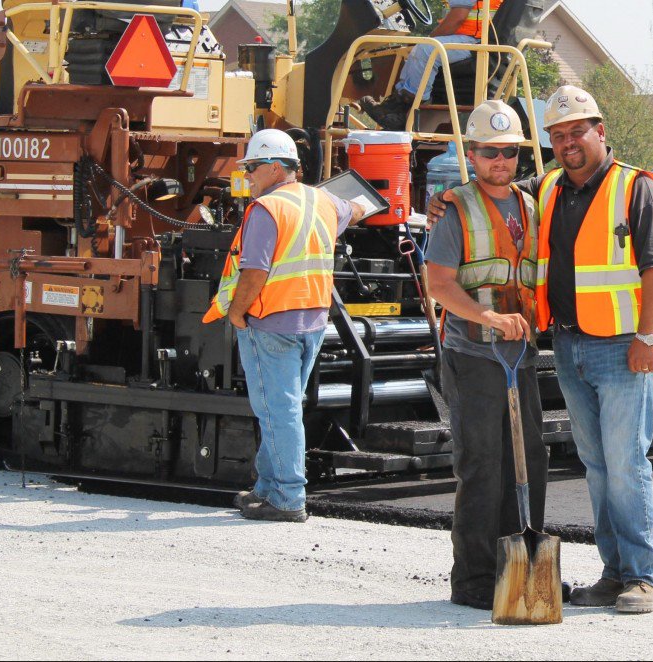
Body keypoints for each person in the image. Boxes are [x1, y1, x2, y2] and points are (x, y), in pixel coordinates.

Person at [428, 85, 653, 613]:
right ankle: (590, 573)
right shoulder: (543, 192)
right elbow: (447, 272)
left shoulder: (632, 188)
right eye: (557, 136)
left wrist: (647, 337)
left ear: (600, 130)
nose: (567, 143)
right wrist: (443, 199)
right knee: (585, 463)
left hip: (617, 348)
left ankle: (639, 574)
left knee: (621, 463)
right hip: (552, 346)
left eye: (576, 132)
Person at [423, 100, 548, 611]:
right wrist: (488, 318)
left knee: (530, 461)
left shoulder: (532, 205)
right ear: (472, 155)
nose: (501, 160)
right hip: (473, 355)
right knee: (482, 465)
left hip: (521, 354)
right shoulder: (454, 208)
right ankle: (473, 579)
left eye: (510, 151)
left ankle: (524, 572)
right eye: (491, 152)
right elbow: (439, 283)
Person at [203, 128, 363, 522]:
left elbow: (254, 272)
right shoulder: (322, 200)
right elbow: (354, 210)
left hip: (271, 321)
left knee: (278, 410)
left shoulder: (267, 209)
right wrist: (366, 201)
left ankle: (289, 497)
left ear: (276, 168)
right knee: (284, 406)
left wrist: (238, 312)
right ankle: (267, 488)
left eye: (253, 168)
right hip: (311, 321)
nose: (248, 177)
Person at [361, 0, 500, 128]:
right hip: (473, 39)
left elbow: (458, 18)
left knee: (425, 50)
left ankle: (410, 108)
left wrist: (429, 39)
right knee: (413, 50)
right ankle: (397, 102)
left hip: (474, 40)